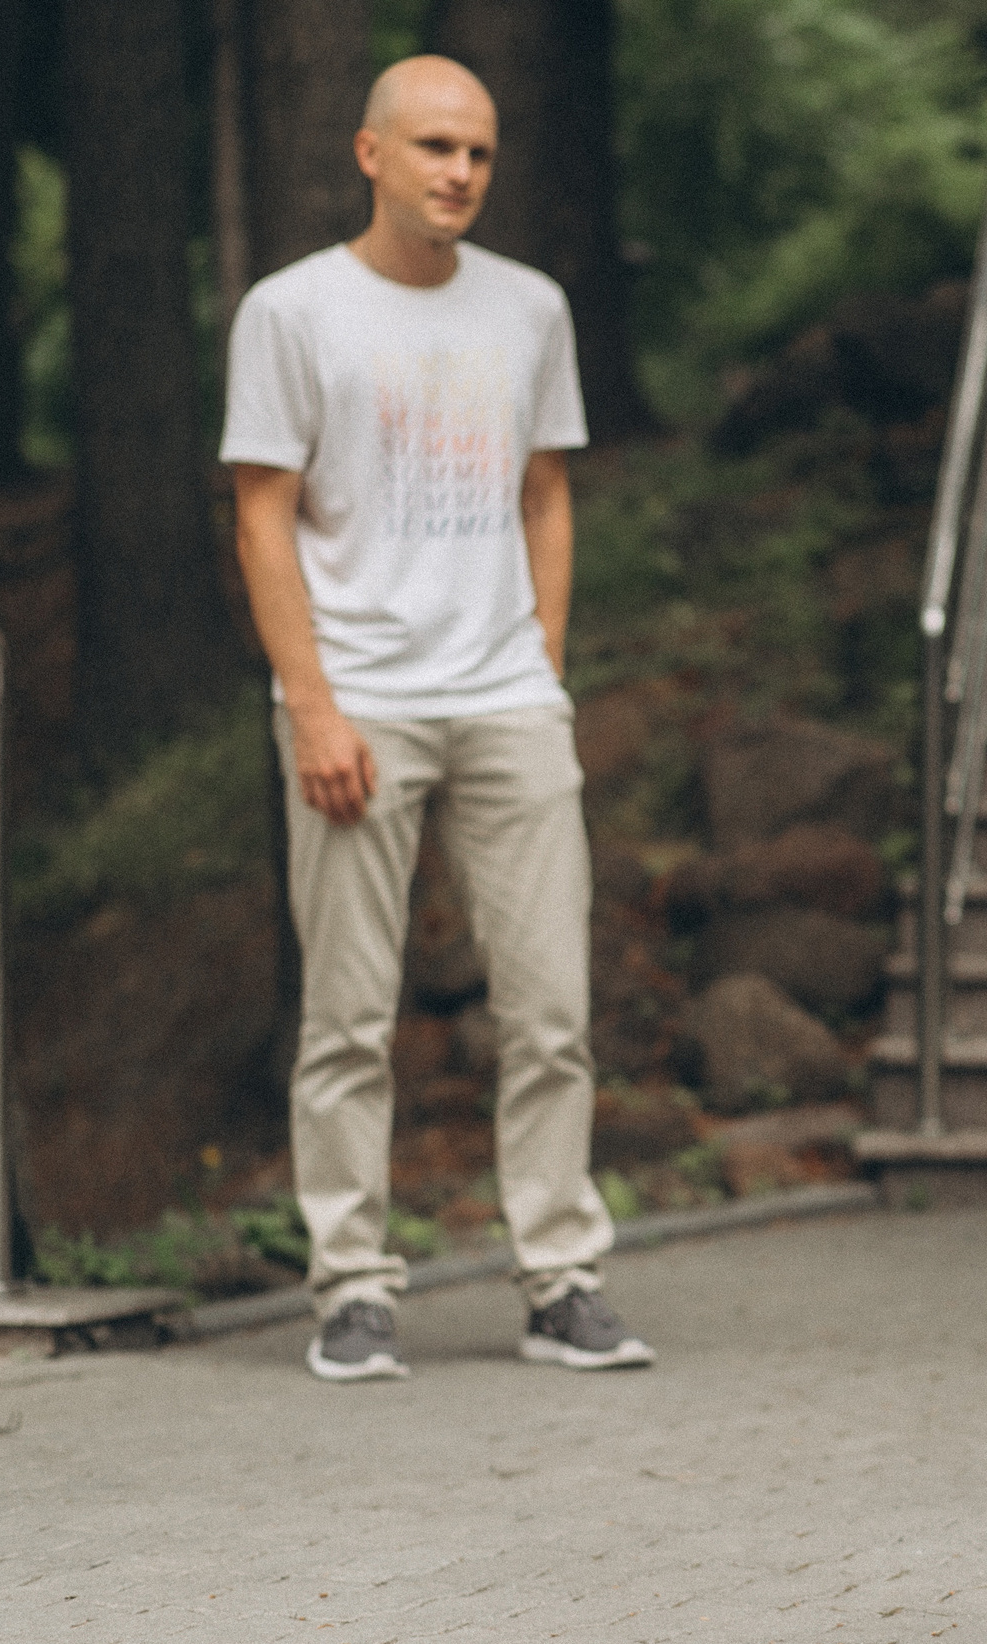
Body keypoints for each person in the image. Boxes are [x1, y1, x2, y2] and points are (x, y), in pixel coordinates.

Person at [221, 56, 652, 1381]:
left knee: (552, 1011)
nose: (459, 170)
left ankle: (561, 1277)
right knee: (351, 1016)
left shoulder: (530, 308)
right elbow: (260, 510)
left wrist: (546, 661)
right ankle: (352, 1284)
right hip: (361, 702)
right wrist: (313, 705)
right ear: (370, 154)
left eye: (478, 150)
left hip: (509, 697)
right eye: (433, 147)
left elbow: (547, 492)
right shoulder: (292, 312)